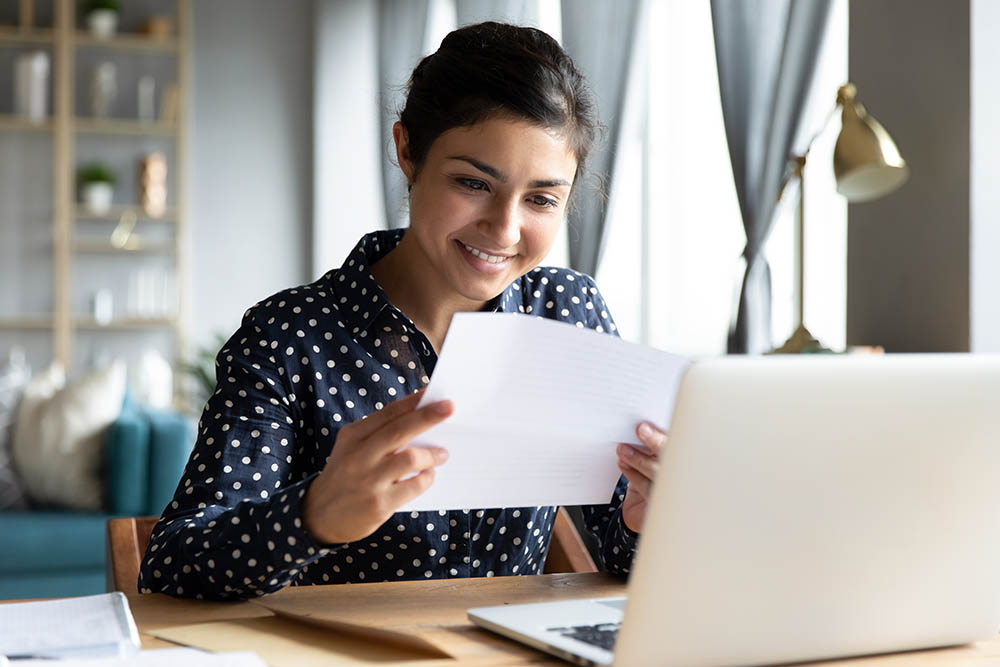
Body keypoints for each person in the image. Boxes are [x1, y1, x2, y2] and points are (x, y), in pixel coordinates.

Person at [138, 21, 667, 601]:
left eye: (541, 199)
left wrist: (649, 519)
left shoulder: (568, 313)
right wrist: (310, 517)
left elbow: (620, 554)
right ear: (407, 151)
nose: (505, 228)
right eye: (473, 182)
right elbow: (170, 566)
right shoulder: (288, 337)